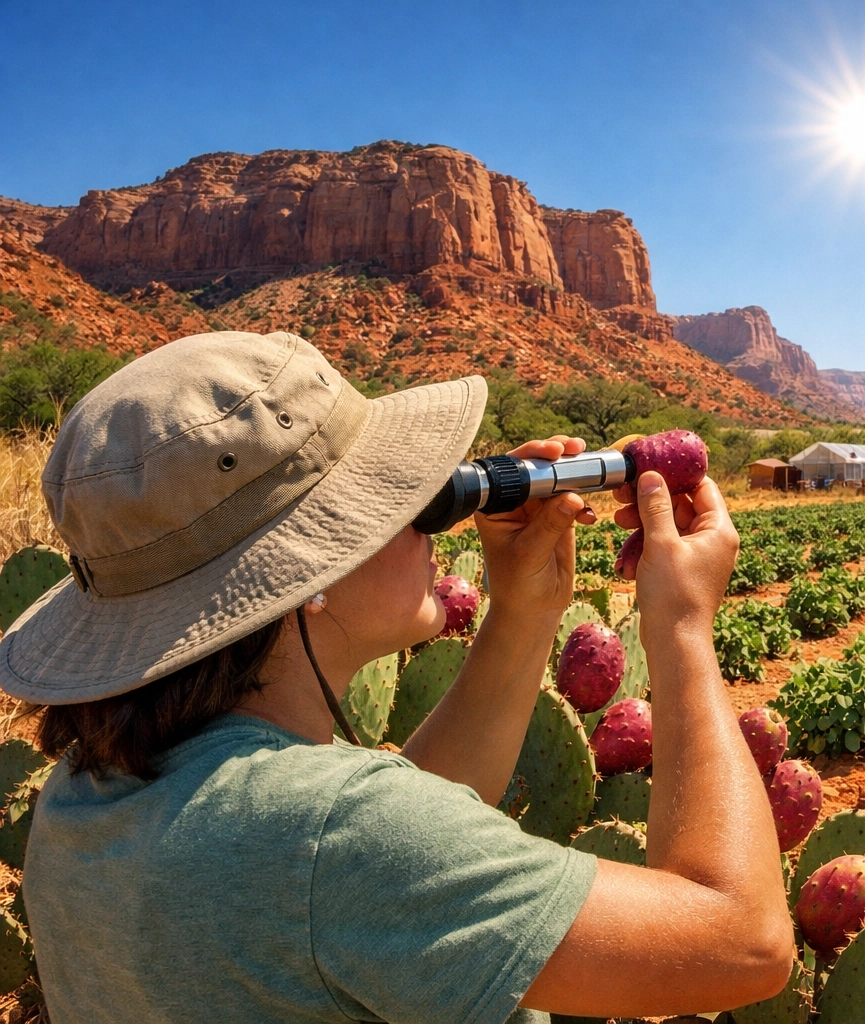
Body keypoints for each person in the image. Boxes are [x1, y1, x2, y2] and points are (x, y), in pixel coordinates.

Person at [2, 331, 793, 1023]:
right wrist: (682, 627)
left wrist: (523, 610)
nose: (423, 511)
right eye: (386, 499)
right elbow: (743, 942)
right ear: (300, 574)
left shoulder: (86, 796)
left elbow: (380, 865)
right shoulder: (336, 840)